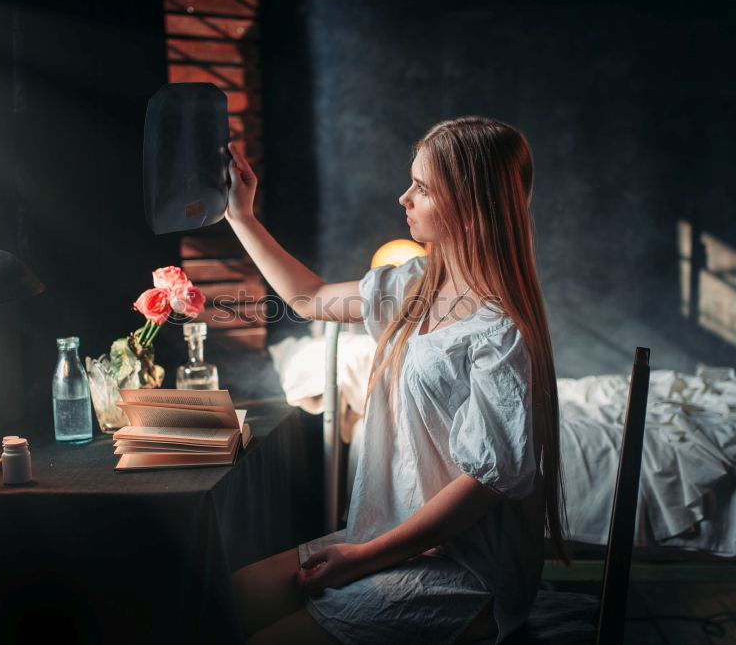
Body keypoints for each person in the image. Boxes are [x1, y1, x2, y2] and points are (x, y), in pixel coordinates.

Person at [225, 116, 567, 645]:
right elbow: (308, 298)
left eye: (423, 187)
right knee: (235, 593)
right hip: (393, 536)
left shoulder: (501, 331)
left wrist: (358, 560)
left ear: (471, 205)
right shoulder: (411, 283)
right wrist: (242, 216)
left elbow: (485, 483)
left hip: (467, 570)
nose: (403, 197)